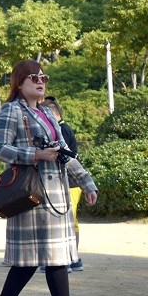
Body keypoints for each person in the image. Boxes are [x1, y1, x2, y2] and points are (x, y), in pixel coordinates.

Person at [0, 60, 98, 296]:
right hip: (31, 195)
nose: (41, 82)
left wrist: (87, 183)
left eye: (44, 78)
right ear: (20, 82)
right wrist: (36, 154)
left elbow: (65, 153)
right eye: (34, 78)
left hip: (57, 196)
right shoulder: (11, 110)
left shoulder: (48, 113)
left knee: (56, 258)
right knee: (28, 262)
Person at [43, 96, 84, 272]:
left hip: (70, 182)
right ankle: (71, 259)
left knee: (69, 221)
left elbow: (66, 157)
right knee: (69, 220)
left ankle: (70, 259)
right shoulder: (62, 128)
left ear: (53, 114)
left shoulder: (62, 130)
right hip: (69, 181)